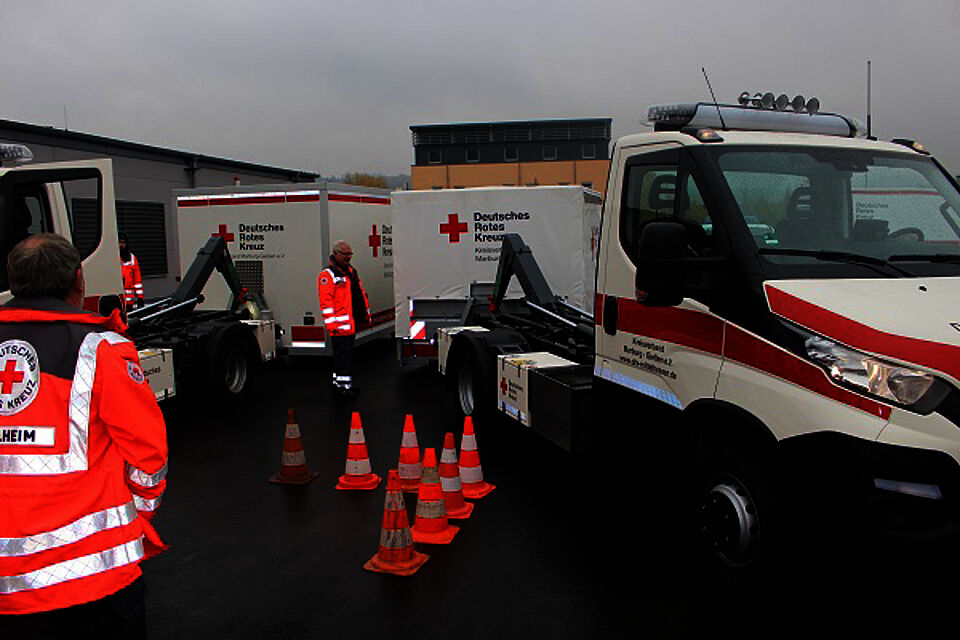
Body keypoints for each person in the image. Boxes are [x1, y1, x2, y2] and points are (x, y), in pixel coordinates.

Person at [0, 233, 168, 637]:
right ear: (79, 280)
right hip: (91, 582)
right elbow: (149, 456)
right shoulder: (100, 350)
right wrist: (135, 519)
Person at [317, 240, 370, 399]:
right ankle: (343, 388)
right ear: (336, 254)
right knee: (343, 357)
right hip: (339, 326)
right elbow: (326, 302)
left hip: (349, 324)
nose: (348, 257)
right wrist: (332, 325)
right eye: (345, 254)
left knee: (344, 357)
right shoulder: (328, 275)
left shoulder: (350, 272)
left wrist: (365, 316)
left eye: (350, 254)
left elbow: (359, 295)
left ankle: (340, 384)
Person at [119, 232, 145, 310]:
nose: (121, 245)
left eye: (123, 242)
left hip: (129, 301)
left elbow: (137, 280)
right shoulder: (111, 257)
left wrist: (140, 298)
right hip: (116, 300)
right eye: (119, 242)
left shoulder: (132, 258)